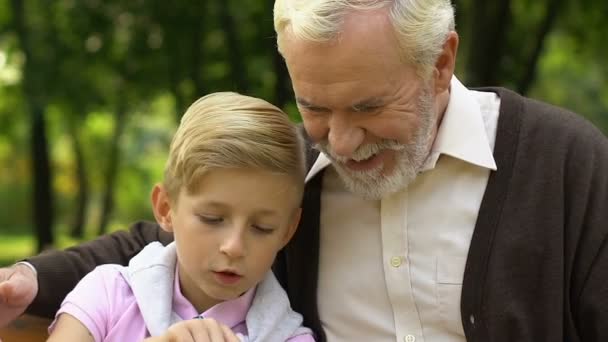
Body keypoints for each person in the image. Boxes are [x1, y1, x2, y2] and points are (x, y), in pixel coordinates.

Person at [1, 1, 607, 341]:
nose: (339, 141)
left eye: (368, 107)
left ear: (440, 62)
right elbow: (163, 237)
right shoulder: (285, 174)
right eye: (314, 107)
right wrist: (30, 279)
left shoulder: (568, 167)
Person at [45, 92, 314, 341]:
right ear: (165, 208)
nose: (234, 247)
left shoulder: (292, 337)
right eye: (212, 218)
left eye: (262, 227)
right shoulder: (106, 293)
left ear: (287, 231)